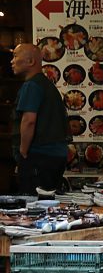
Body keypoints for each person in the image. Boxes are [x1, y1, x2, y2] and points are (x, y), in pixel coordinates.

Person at [11, 43, 69, 194]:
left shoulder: (32, 85)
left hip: (39, 156)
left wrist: (23, 152)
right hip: (55, 156)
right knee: (48, 202)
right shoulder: (46, 85)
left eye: (16, 56)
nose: (12, 61)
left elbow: (29, 120)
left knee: (33, 204)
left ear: (31, 61)